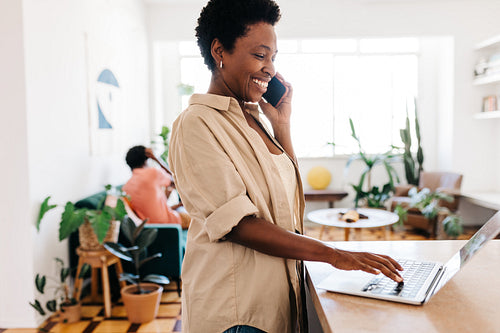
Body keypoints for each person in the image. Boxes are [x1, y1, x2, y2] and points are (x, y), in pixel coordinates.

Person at [168, 0, 403, 332]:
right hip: (237, 315)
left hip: (273, 305)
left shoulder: (254, 120)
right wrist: (333, 254)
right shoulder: (196, 123)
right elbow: (238, 225)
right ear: (220, 51)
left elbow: (288, 200)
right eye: (260, 55)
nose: (271, 69)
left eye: (273, 58)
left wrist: (282, 126)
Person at [123, 145, 190, 229]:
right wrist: (156, 159)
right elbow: (176, 181)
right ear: (147, 158)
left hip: (150, 228)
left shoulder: (126, 188)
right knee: (200, 219)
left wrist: (178, 205)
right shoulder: (152, 173)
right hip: (170, 222)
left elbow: (153, 212)